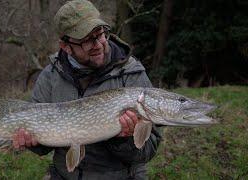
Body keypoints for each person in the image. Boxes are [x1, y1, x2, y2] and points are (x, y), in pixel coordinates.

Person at [13, 0, 162, 179]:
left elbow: (149, 151)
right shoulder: (50, 76)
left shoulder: (131, 74)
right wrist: (32, 142)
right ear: (66, 46)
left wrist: (124, 139)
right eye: (86, 41)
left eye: (100, 34)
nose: (98, 44)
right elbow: (44, 144)